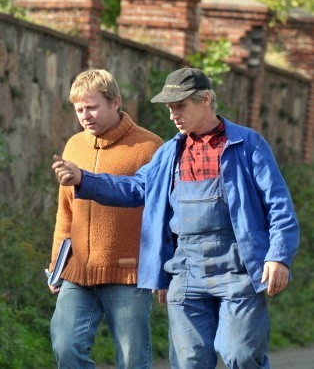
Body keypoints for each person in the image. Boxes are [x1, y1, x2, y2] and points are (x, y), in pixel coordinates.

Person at [53, 67, 300, 369]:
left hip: (237, 268)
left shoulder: (247, 145)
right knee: (189, 361)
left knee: (241, 354)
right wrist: (84, 179)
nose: (173, 115)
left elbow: (278, 204)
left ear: (206, 99)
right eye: (170, 108)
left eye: (180, 106)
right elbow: (136, 187)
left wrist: (278, 256)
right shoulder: (170, 152)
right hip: (185, 269)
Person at [48, 69, 163, 369]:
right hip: (78, 272)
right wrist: (55, 265)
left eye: (92, 107)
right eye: (79, 110)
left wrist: (162, 267)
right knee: (65, 348)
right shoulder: (73, 145)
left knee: (132, 360)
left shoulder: (150, 147)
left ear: (115, 102)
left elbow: (161, 214)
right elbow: (65, 210)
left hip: (127, 274)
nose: (86, 116)